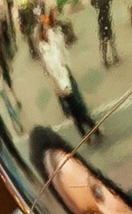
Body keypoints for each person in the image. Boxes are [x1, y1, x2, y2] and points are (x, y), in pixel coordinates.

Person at [32, 9, 100, 142]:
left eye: (47, 29)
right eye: (45, 30)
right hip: (61, 84)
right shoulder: (45, 51)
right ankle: (91, 131)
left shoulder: (52, 39)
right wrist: (60, 84)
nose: (47, 30)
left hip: (66, 76)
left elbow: (60, 45)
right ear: (42, 34)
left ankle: (89, 133)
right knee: (77, 109)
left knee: (77, 109)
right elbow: (52, 68)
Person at [89, 0, 120, 68]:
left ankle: (114, 56)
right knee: (104, 40)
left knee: (110, 38)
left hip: (106, 19)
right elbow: (96, 3)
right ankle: (106, 58)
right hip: (102, 20)